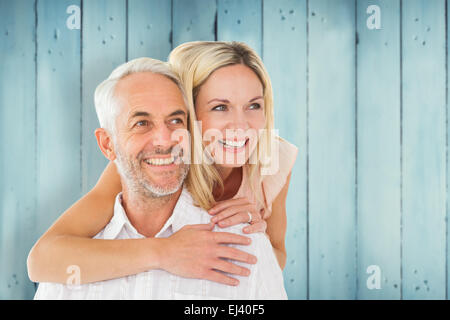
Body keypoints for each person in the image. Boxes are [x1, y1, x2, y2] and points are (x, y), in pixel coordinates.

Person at [27, 41, 297, 287]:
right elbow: (42, 260)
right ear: (187, 111)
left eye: (253, 105)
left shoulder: (273, 159)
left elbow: (277, 257)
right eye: (220, 107)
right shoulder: (159, 163)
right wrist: (165, 251)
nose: (241, 125)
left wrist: (254, 239)